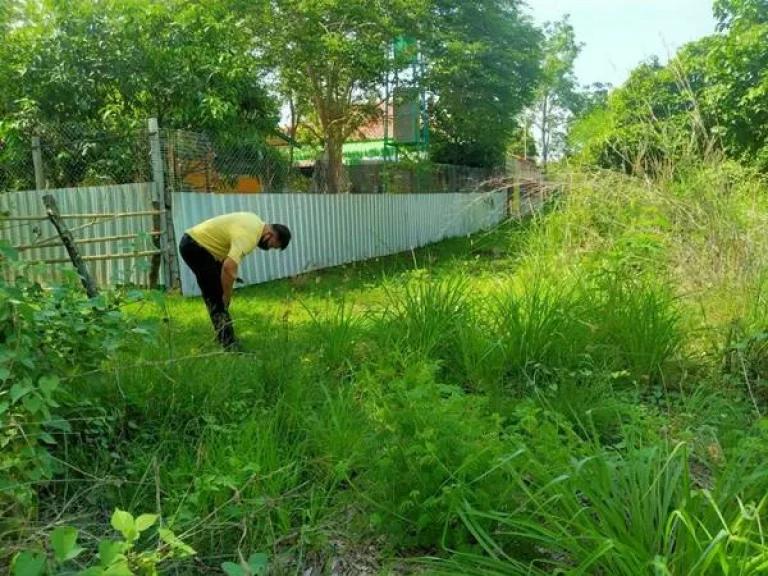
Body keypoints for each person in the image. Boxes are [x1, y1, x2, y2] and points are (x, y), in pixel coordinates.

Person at [178, 212, 291, 352]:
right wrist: (227, 295)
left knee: (218, 294)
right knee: (216, 295)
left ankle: (223, 335)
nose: (268, 249)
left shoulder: (255, 222)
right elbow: (229, 266)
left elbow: (227, 260)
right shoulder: (250, 237)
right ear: (270, 235)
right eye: (272, 245)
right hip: (195, 247)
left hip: (199, 245)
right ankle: (229, 345)